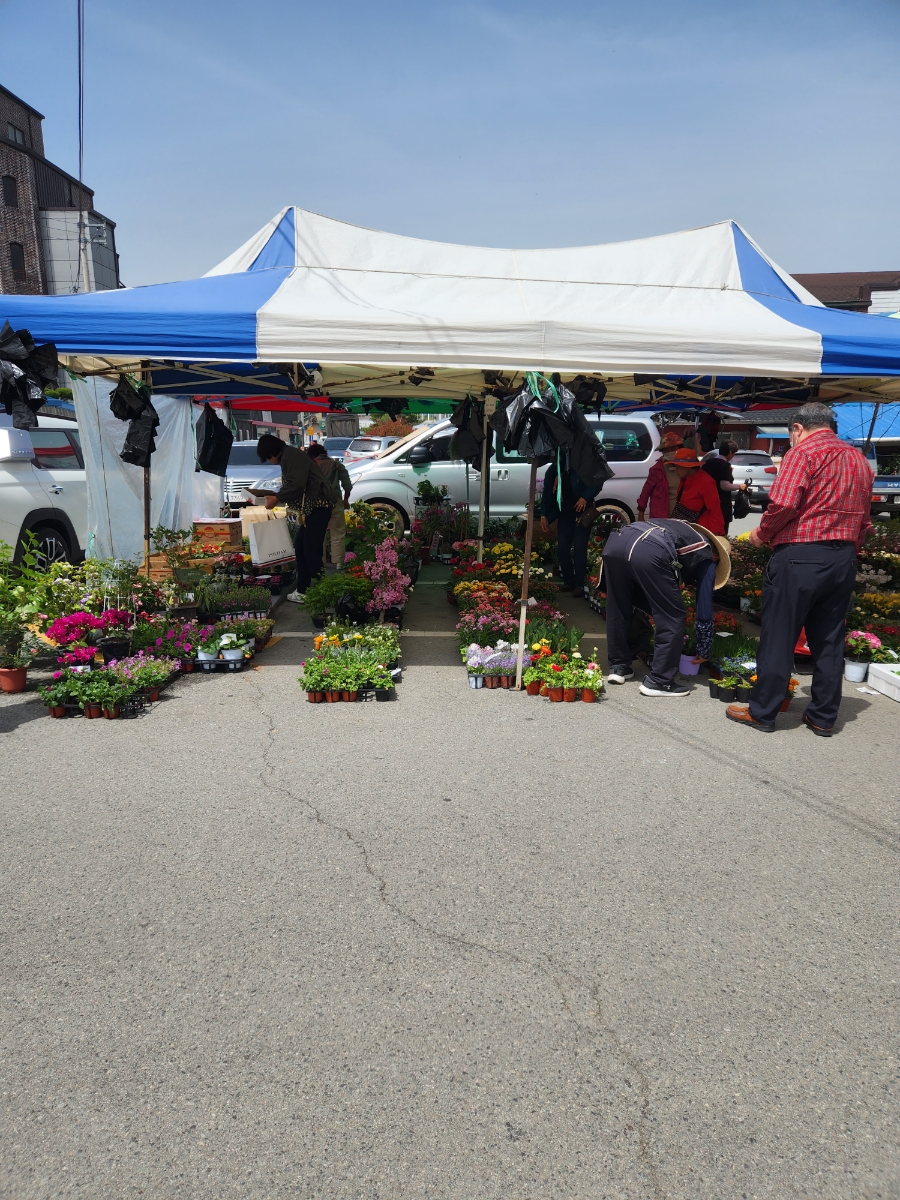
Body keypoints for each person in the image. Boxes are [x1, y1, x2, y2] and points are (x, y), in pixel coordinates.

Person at [725, 402, 872, 736]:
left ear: (796, 428)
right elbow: (865, 519)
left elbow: (785, 503)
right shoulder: (858, 459)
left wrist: (762, 534)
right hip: (842, 558)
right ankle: (822, 716)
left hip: (801, 556)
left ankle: (763, 711)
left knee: (779, 635)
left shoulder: (803, 453)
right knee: (830, 639)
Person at [602, 518, 728, 697]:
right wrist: (704, 647)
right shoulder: (707, 557)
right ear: (716, 558)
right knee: (673, 615)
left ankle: (619, 666)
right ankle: (660, 681)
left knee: (619, 605)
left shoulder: (680, 529)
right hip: (649, 551)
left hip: (617, 542)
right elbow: (704, 606)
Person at [256, 433, 331, 602]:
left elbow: (297, 484)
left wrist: (276, 498)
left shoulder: (291, 456)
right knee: (301, 547)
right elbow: (295, 484)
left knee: (310, 550)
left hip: (318, 508)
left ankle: (323, 592)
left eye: (268, 458)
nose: (270, 462)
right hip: (313, 509)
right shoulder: (289, 455)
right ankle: (303, 590)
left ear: (270, 453)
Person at [540, 460, 597, 596]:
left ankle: (579, 584)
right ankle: (569, 581)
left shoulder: (583, 465)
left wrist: (585, 497)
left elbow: (597, 483)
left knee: (579, 549)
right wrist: (544, 515)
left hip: (582, 515)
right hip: (565, 514)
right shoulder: (554, 469)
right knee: (562, 549)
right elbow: (547, 493)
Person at [307, 442, 352, 568]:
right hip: (335, 502)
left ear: (311, 455)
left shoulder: (311, 466)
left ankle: (319, 562)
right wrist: (345, 500)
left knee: (317, 533)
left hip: (316, 504)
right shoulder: (337, 465)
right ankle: (338, 562)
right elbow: (347, 485)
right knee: (338, 532)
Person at [671, 447, 726, 534]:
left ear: (689, 467)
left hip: (701, 531)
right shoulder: (685, 479)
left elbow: (715, 510)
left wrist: (716, 535)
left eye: (678, 467)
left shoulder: (706, 482)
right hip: (685, 528)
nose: (676, 471)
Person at [702, 439, 747, 534]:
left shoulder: (707, 463)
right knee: (721, 532)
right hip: (721, 502)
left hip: (705, 500)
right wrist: (740, 486)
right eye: (733, 453)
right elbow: (724, 485)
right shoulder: (725, 465)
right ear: (730, 452)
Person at [636, 432, 682, 520]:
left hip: (681, 517)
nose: (670, 452)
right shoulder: (656, 470)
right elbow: (646, 491)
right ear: (662, 452)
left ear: (678, 448)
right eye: (666, 450)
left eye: (672, 449)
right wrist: (641, 512)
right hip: (661, 516)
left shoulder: (686, 467)